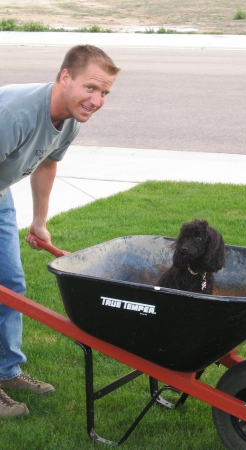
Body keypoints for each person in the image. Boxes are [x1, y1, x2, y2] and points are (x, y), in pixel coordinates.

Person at [0, 44, 120, 417]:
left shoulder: (69, 118)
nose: (97, 100)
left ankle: (6, 371)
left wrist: (39, 223)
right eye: (91, 88)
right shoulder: (13, 114)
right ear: (65, 77)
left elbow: (47, 164)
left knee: (11, 285)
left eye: (104, 93)